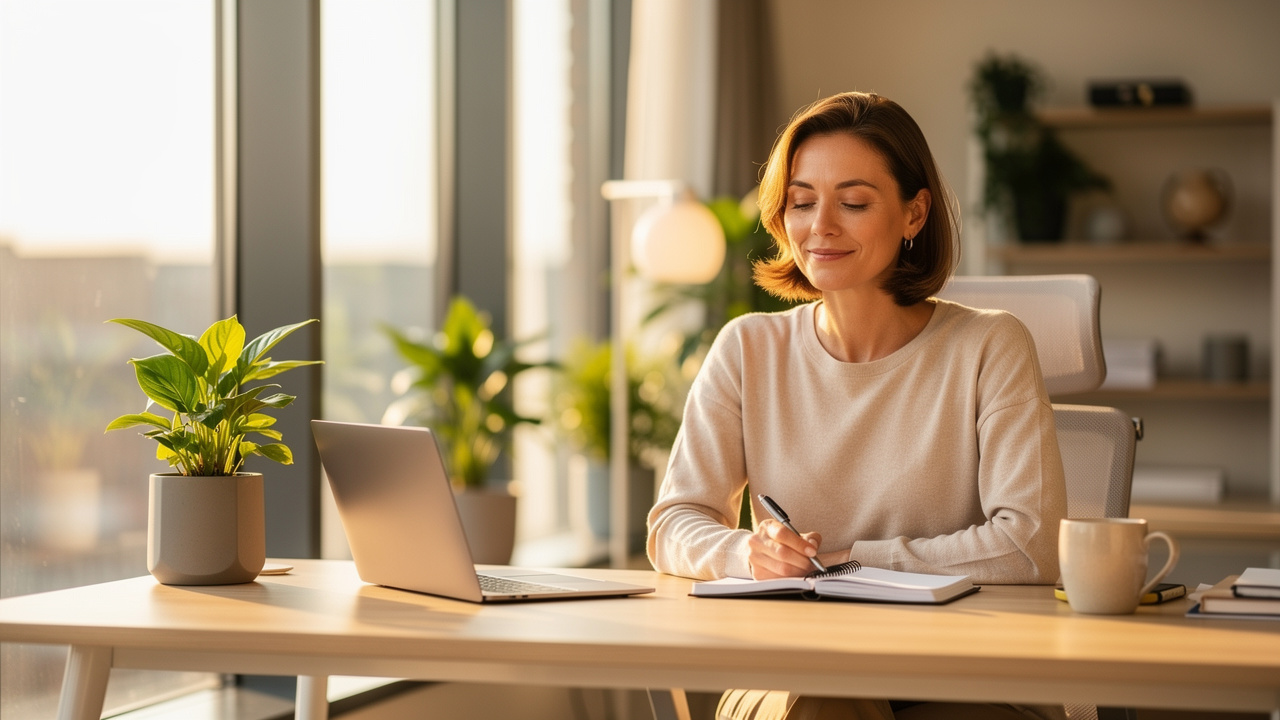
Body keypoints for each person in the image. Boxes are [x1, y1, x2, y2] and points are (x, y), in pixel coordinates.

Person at [645, 92, 1068, 720]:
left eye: (854, 202)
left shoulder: (990, 345)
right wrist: (748, 554)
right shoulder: (747, 348)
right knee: (824, 701)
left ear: (914, 215)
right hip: (795, 669)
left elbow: (1032, 545)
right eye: (802, 201)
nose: (822, 226)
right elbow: (674, 521)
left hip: (961, 671)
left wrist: (848, 563)